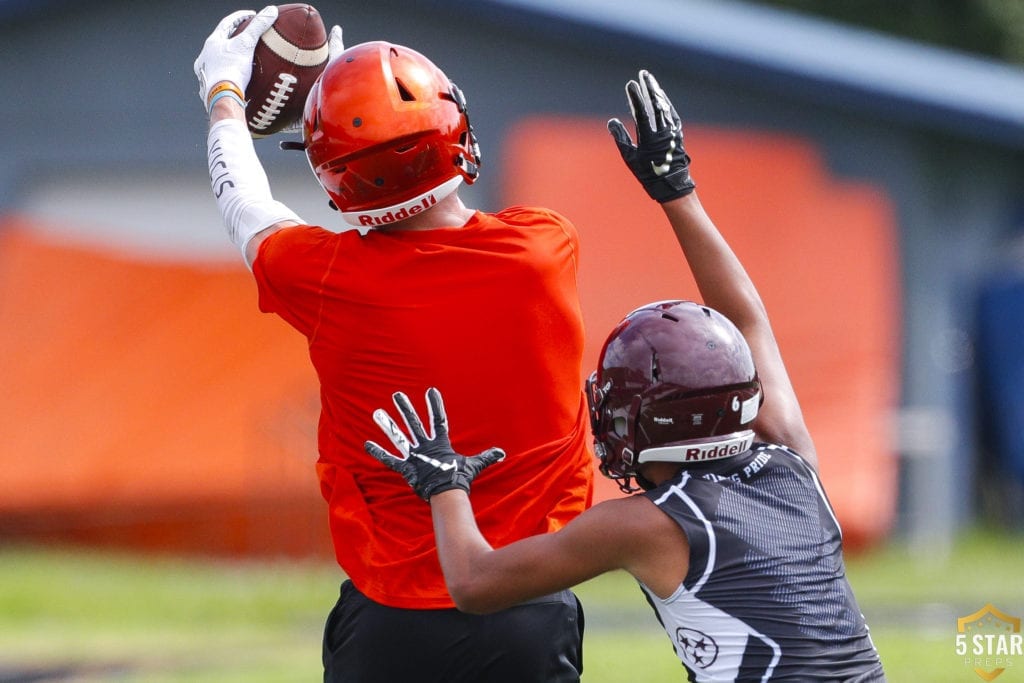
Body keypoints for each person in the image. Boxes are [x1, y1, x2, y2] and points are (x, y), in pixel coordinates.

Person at [364, 70, 887, 681]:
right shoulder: (792, 464)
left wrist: (444, 485)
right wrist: (678, 192)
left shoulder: (644, 523)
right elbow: (749, 321)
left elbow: (477, 584)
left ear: (645, 420)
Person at [193, 8, 592, 682]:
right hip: (529, 605)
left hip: (389, 620)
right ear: (454, 133)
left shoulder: (323, 277)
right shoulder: (544, 246)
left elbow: (246, 204)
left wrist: (226, 97)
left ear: (329, 172)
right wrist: (341, 115)